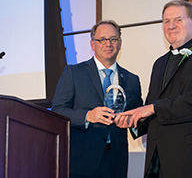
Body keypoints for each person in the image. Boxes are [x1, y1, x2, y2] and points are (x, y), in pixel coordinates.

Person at [115, 0, 192, 178]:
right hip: (161, 162)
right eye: (166, 21)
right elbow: (152, 110)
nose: (171, 26)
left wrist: (152, 108)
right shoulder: (159, 63)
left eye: (178, 19)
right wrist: (131, 119)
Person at [52, 20, 143, 178]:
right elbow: (57, 111)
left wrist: (132, 122)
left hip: (116, 163)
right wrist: (88, 116)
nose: (108, 44)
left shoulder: (132, 80)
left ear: (120, 43)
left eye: (113, 39)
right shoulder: (74, 73)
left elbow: (139, 117)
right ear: (93, 44)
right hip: (82, 163)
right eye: (102, 39)